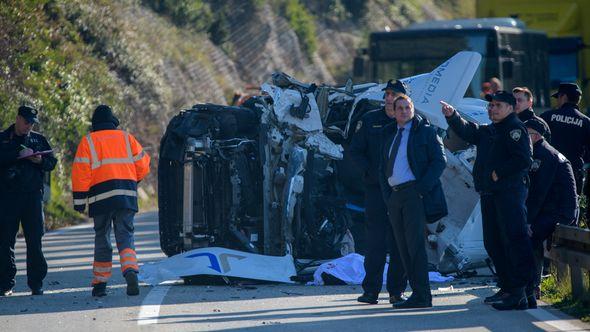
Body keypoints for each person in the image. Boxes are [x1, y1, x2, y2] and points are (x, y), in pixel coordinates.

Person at [441, 91, 534, 310]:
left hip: (508, 193)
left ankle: (521, 292)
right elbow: (469, 132)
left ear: (511, 108)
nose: (492, 108)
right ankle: (508, 287)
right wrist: (452, 115)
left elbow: (523, 160)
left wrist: (498, 173)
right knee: (493, 243)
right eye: (491, 105)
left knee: (513, 241)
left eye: (498, 105)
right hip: (490, 194)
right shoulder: (491, 129)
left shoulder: (514, 129)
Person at [71, 105, 150, 297]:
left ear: (94, 124)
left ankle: (100, 284)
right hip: (125, 197)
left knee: (102, 238)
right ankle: (130, 270)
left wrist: (80, 201)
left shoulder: (88, 141)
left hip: (101, 200)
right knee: (125, 236)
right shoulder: (126, 138)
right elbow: (143, 165)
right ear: (113, 121)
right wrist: (132, 181)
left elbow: (81, 173)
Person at [379, 95, 447, 309]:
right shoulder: (389, 133)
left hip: (413, 193)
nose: (403, 111)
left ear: (413, 108)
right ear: (393, 111)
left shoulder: (426, 132)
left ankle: (422, 295)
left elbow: (440, 161)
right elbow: (383, 167)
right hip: (395, 195)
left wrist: (421, 189)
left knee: (415, 246)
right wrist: (387, 195)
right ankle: (416, 293)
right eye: (399, 108)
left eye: (407, 107)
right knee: (402, 248)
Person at [349, 79, 408, 305]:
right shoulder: (369, 120)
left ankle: (396, 291)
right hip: (376, 191)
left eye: (394, 94)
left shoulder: (411, 123)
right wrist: (370, 173)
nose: (389, 98)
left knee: (399, 242)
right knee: (375, 243)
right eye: (387, 94)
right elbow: (355, 151)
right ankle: (371, 290)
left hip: (400, 191)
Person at [0, 105, 57, 296]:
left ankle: (36, 283)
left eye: (32, 123)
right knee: (5, 240)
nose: (29, 126)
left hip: (32, 197)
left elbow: (51, 163)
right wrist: (17, 155)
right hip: (8, 197)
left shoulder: (38, 139)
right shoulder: (3, 138)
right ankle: (5, 283)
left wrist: (39, 160)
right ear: (17, 119)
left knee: (35, 241)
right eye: (26, 122)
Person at [524, 118, 578, 306]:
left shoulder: (544, 155)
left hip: (560, 213)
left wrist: (529, 220)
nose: (524, 137)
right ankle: (531, 287)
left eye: (527, 133)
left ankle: (530, 288)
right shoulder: (542, 151)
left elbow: (539, 192)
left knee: (528, 236)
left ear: (536, 135)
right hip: (556, 210)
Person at [540, 82, 590, 197]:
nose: (557, 101)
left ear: (564, 97)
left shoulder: (547, 117)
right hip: (574, 173)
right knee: (572, 208)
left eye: (558, 97)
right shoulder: (586, 122)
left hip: (549, 172)